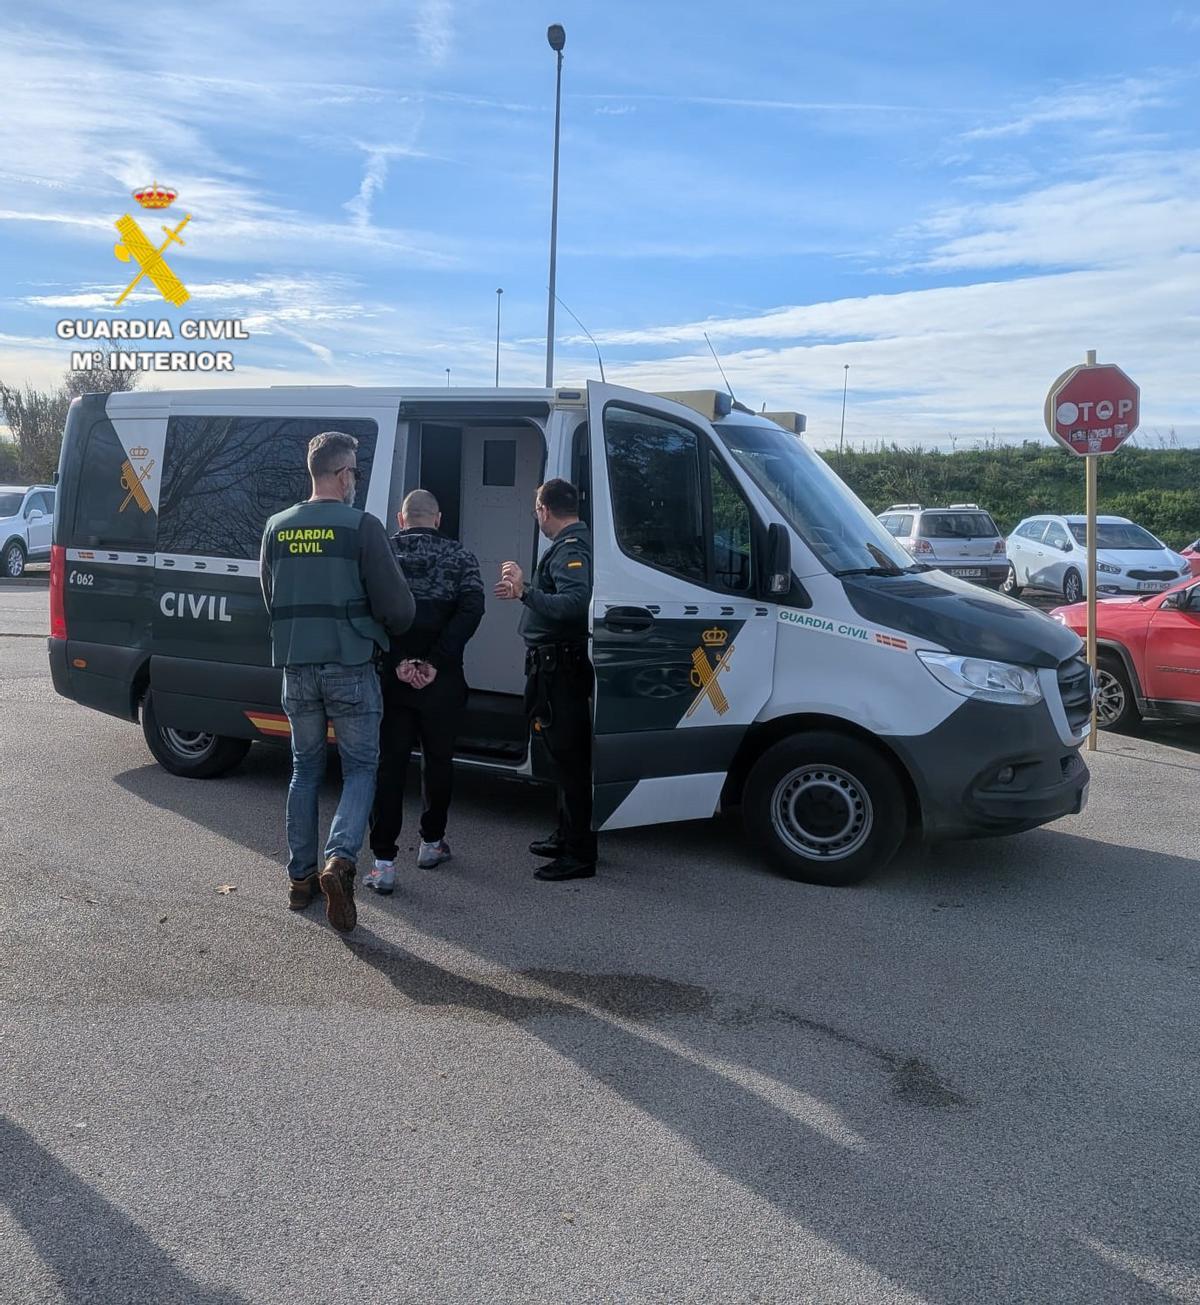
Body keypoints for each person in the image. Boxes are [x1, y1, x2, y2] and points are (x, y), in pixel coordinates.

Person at [260, 431, 414, 933]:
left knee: (304, 769)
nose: (356, 481)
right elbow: (398, 608)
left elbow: (271, 597)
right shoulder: (361, 527)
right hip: (349, 666)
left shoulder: (276, 527)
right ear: (344, 474)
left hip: (296, 667)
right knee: (361, 768)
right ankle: (340, 860)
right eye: (355, 473)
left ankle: (300, 880)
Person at [366, 489, 484, 893]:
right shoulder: (461, 556)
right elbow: (473, 609)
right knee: (438, 761)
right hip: (443, 679)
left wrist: (399, 659)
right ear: (437, 519)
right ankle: (432, 843)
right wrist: (435, 661)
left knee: (389, 765)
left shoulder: (383, 554)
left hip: (392, 678)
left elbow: (369, 609)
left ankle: (383, 862)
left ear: (401, 519)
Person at [495, 478, 596, 881]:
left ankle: (579, 855)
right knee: (561, 757)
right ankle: (566, 835)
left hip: (561, 670)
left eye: (536, 509)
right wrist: (527, 588)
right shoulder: (569, 545)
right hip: (554, 667)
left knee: (570, 761)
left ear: (544, 510)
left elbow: (574, 604)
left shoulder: (571, 548)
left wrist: (525, 593)